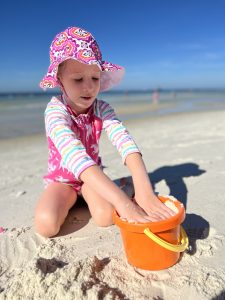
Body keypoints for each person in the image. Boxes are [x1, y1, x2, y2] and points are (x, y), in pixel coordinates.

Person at [35, 26, 175, 238]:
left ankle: (125, 187)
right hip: (62, 180)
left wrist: (144, 189)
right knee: (46, 225)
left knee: (105, 217)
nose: (89, 87)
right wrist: (125, 205)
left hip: (93, 178)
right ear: (60, 79)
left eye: (95, 78)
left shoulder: (102, 108)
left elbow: (124, 141)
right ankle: (90, 197)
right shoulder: (55, 111)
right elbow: (74, 156)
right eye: (78, 79)